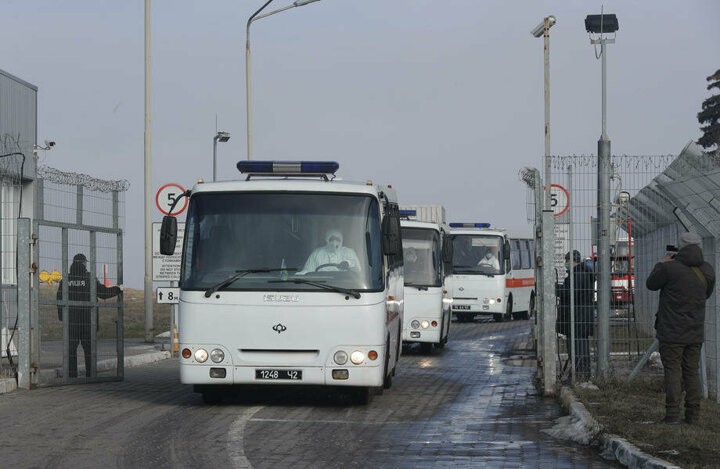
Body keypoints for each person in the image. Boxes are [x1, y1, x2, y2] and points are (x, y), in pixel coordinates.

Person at [646, 231, 715, 425]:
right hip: (695, 330)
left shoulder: (670, 268)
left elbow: (651, 284)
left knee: (673, 371)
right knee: (691, 371)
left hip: (671, 331)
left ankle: (672, 415)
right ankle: (693, 415)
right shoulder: (708, 270)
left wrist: (662, 263)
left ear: (680, 247)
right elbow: (705, 294)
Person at [56, 253, 123, 378]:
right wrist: (117, 289)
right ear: (83, 263)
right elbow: (103, 293)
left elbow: (59, 300)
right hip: (88, 320)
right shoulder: (89, 279)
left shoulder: (65, 280)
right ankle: (90, 375)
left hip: (71, 322)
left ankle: (72, 376)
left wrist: (62, 317)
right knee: (89, 350)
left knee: (71, 351)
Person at [556, 249, 595, 381]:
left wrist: (555, 288)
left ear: (573, 261)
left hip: (578, 317)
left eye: (567, 261)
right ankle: (581, 372)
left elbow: (571, 293)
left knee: (577, 346)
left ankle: (579, 373)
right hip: (581, 316)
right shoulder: (582, 272)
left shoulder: (578, 274)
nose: (566, 264)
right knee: (581, 344)